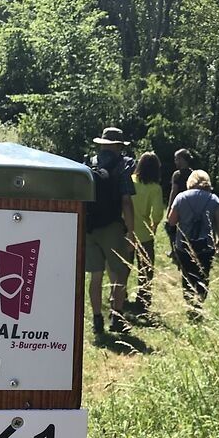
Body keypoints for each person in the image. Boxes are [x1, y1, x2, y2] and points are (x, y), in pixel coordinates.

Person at [85, 126, 136, 335]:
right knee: (120, 272)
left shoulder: (88, 164)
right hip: (112, 227)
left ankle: (97, 320)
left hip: (89, 227)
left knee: (96, 276)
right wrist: (130, 232)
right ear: (118, 145)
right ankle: (116, 317)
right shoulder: (122, 166)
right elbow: (126, 201)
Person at [168, 169, 219, 314]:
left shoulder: (181, 197)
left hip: (184, 245)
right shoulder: (214, 199)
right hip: (206, 245)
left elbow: (171, 220)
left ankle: (189, 301)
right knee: (203, 272)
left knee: (187, 272)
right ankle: (200, 299)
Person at [129, 151, 164, 315]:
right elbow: (157, 213)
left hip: (125, 230)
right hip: (143, 233)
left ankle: (118, 298)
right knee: (145, 270)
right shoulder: (155, 188)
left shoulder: (129, 180)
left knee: (123, 268)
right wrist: (154, 226)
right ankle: (142, 302)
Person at [164, 148, 194, 258]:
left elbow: (174, 191)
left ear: (182, 159)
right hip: (190, 206)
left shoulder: (177, 174)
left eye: (177, 159)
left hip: (178, 205)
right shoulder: (193, 173)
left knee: (171, 228)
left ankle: (174, 250)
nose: (175, 161)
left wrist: (169, 208)